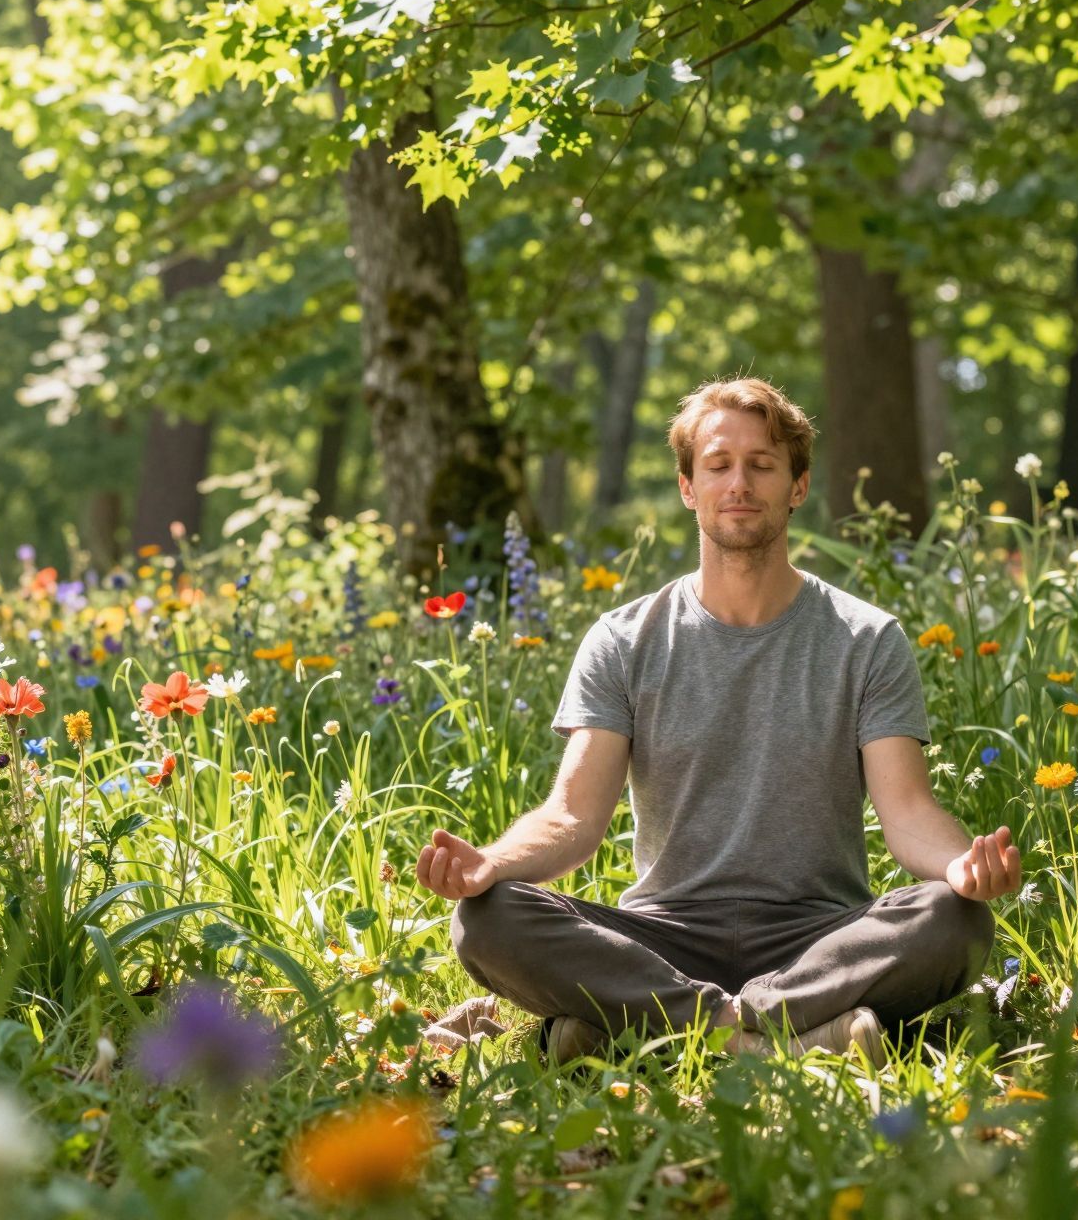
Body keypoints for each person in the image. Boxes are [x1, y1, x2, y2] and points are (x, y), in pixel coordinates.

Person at [416, 376, 1018, 1064]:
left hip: (821, 940)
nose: (740, 483)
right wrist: (490, 863)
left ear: (796, 486)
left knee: (954, 917)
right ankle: (771, 1037)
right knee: (487, 917)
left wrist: (961, 866)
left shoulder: (866, 639)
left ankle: (639, 1034)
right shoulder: (623, 639)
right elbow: (573, 820)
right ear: (687, 487)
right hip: (662, 939)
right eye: (719, 465)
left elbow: (908, 812)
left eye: (763, 465)